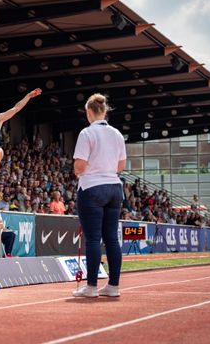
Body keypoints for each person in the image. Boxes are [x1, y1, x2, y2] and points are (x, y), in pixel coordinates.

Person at [72, 93, 126, 298]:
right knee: (112, 239)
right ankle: (113, 286)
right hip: (114, 187)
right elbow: (121, 166)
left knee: (93, 239)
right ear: (104, 112)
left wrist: (79, 171)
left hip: (92, 187)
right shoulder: (117, 134)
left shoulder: (86, 133)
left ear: (89, 113)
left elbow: (80, 165)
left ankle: (92, 287)